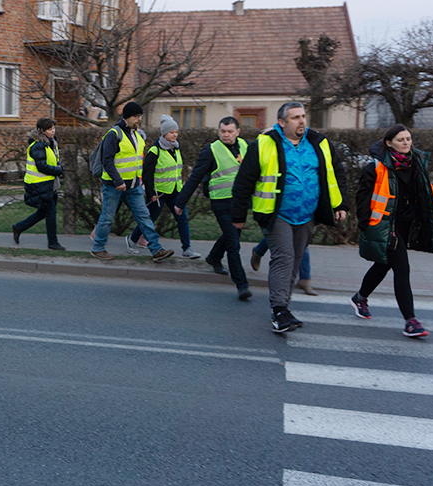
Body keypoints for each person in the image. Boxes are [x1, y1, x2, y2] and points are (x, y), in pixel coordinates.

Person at [231, 102, 347, 334]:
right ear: (282, 122)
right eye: (295, 117)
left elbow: (336, 173)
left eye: (303, 116)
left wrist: (341, 204)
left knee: (295, 260)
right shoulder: (264, 144)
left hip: (307, 215)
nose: (302, 120)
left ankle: (283, 307)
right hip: (276, 214)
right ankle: (279, 310)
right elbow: (244, 181)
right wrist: (238, 215)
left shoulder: (319, 143)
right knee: (284, 258)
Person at [350, 125, 433, 338]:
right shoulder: (376, 167)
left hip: (407, 224)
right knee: (402, 268)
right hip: (386, 225)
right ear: (389, 143)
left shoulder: (417, 163)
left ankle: (359, 298)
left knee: (384, 264)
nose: (406, 142)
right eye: (401, 139)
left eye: (408, 138)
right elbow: (362, 198)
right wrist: (367, 224)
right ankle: (410, 321)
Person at [174, 117, 252, 300]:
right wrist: (180, 201)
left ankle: (214, 257)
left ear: (238, 132)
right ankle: (242, 285)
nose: (226, 134)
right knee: (233, 243)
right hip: (221, 202)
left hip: (240, 203)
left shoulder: (247, 146)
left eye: (230, 131)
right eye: (222, 131)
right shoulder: (211, 150)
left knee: (232, 235)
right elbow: (195, 177)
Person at [90, 102, 174, 262]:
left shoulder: (137, 134)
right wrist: (118, 181)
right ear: (127, 117)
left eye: (140, 116)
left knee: (144, 217)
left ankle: (156, 250)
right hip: (114, 186)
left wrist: (139, 182)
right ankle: (98, 248)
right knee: (107, 218)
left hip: (134, 186)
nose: (139, 119)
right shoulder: (114, 134)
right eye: (136, 116)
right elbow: (107, 161)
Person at [127, 115, 197, 259]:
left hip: (175, 191)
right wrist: (151, 193)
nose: (174, 135)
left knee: (182, 219)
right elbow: (147, 174)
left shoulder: (176, 148)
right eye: (171, 132)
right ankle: (132, 240)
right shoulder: (155, 150)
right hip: (159, 194)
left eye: (176, 132)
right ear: (164, 133)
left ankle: (187, 249)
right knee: (149, 219)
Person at [12, 118, 65, 251]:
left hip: (48, 184)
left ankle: (19, 227)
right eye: (49, 129)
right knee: (51, 212)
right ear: (42, 131)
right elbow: (42, 166)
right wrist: (58, 170)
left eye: (53, 128)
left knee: (45, 211)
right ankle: (53, 242)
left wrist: (58, 166)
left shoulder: (51, 143)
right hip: (39, 184)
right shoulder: (38, 145)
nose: (53, 131)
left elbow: (53, 160)